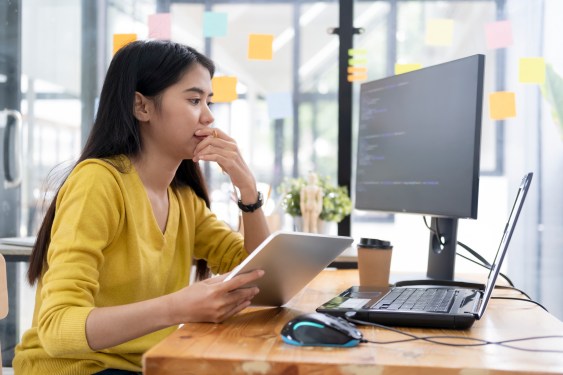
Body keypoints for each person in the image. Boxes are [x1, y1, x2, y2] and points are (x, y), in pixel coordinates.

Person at [13, 40, 270, 375]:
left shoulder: (183, 199)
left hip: (146, 366)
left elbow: (257, 276)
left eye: (208, 101)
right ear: (142, 107)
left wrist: (248, 190)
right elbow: (59, 328)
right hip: (76, 368)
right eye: (194, 100)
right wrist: (176, 307)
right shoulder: (98, 183)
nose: (209, 116)